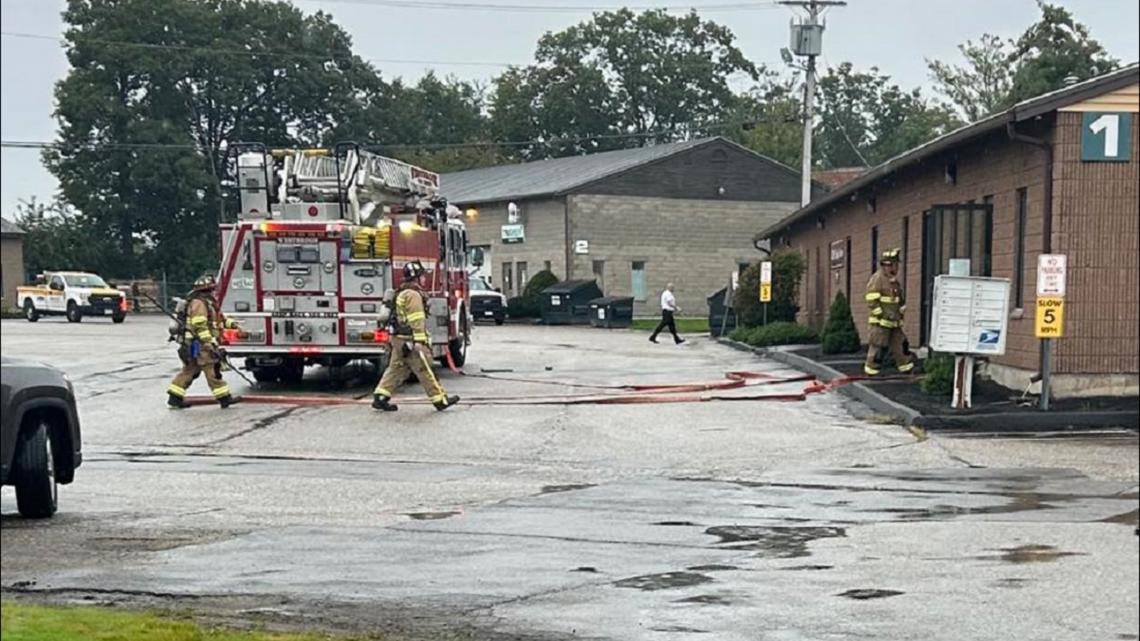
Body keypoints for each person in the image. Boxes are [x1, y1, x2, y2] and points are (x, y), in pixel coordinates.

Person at [372, 260, 460, 412]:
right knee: (425, 369)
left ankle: (380, 396)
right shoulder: (413, 294)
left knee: (396, 368)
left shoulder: (403, 291)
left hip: (399, 339)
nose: (424, 279)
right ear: (416, 278)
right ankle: (440, 400)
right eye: (422, 276)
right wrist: (419, 341)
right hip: (410, 341)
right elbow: (416, 319)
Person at [166, 274, 241, 409]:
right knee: (212, 371)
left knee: (190, 370)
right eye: (212, 288)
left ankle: (174, 397)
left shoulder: (209, 302)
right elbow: (199, 325)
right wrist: (208, 342)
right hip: (200, 344)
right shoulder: (199, 303)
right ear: (206, 289)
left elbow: (218, 320)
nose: (214, 291)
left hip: (197, 345)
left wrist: (233, 325)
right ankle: (224, 398)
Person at [864, 248, 915, 376]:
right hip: (881, 323)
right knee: (878, 347)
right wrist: (881, 315)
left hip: (894, 322)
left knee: (901, 345)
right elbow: (871, 299)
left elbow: (898, 299)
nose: (896, 268)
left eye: (896, 265)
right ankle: (871, 373)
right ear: (886, 266)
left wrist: (901, 309)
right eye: (893, 265)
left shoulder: (893, 280)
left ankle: (906, 369)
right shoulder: (877, 279)